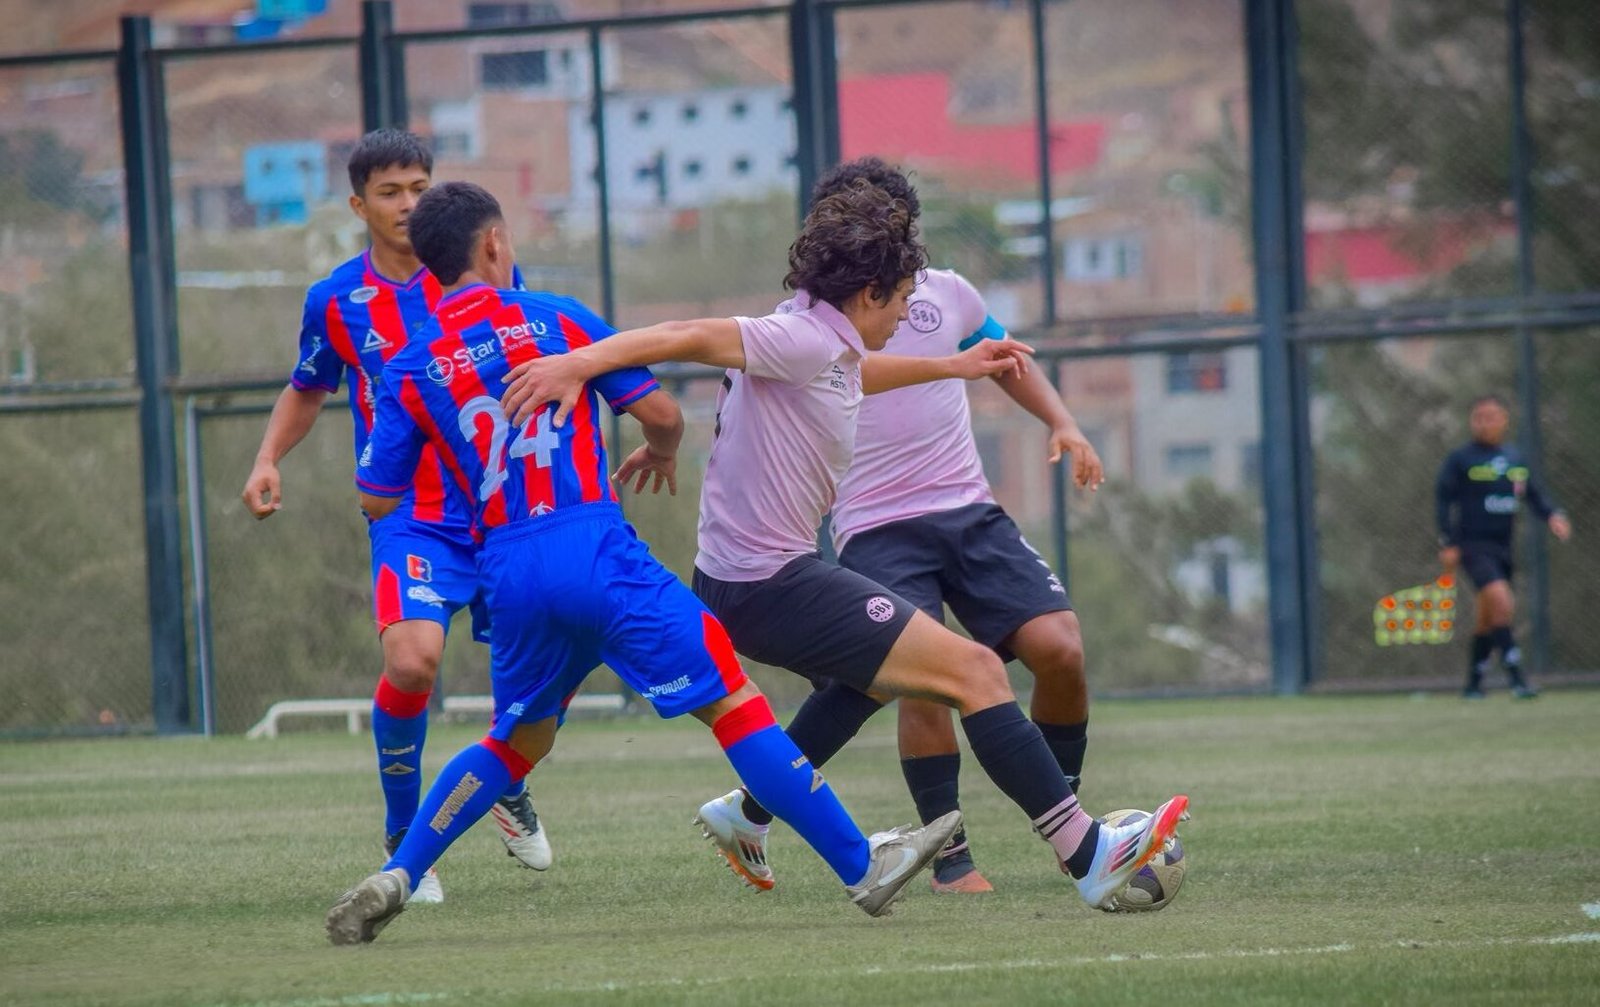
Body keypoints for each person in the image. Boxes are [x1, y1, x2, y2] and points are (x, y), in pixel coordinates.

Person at [500, 178, 1187, 911]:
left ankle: (747, 811)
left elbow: (854, 370)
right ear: (867, 294)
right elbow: (683, 335)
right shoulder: (795, 337)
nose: (906, 314)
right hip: (766, 584)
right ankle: (1089, 854)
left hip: (757, 578)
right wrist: (580, 362)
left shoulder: (821, 334)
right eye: (897, 301)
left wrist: (953, 366)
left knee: (888, 682)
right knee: (976, 670)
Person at [325, 181, 960, 945]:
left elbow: (376, 494)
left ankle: (402, 867)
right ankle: (863, 866)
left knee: (515, 740)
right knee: (731, 699)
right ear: (493, 245)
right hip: (595, 547)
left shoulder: (408, 363)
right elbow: (661, 414)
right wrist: (658, 448)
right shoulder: (554, 318)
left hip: (510, 568)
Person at [241, 131, 550, 905]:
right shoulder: (337, 299)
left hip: (501, 502)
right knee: (412, 663)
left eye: (419, 185)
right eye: (390, 191)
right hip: (409, 512)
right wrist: (267, 458)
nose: (409, 203)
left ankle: (501, 778)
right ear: (359, 205)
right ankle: (405, 837)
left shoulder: (485, 272)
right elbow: (309, 388)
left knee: (541, 678)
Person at [793, 157, 1106, 894]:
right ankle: (952, 855)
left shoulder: (948, 294)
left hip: (969, 511)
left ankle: (1063, 814)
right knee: (927, 681)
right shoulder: (808, 319)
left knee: (1059, 647)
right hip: (876, 527)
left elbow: (1005, 360)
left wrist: (1065, 422)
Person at [1435, 394, 1571, 699]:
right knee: (1502, 602)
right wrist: (1447, 541)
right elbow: (1444, 500)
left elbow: (1534, 494)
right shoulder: (1461, 460)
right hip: (1472, 545)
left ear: (1504, 420)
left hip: (1502, 547)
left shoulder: (1513, 459)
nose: (1485, 423)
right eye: (1479, 417)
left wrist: (1554, 516)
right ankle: (1517, 680)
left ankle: (1473, 684)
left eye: (1491, 416)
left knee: (1488, 617)